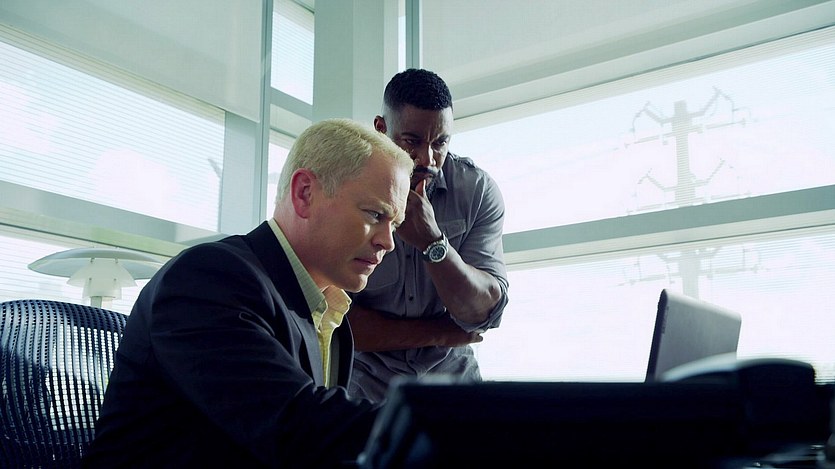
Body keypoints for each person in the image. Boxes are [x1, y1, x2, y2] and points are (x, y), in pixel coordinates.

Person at [82, 118, 413, 468]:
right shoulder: (208, 277)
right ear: (305, 193)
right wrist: (441, 426)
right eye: (376, 214)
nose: (388, 242)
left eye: (394, 224)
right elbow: (295, 425)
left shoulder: (332, 319)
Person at [348, 69, 509, 403]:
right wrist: (441, 332)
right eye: (412, 142)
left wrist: (433, 242)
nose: (428, 159)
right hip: (364, 392)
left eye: (440, 143)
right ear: (381, 129)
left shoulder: (478, 191)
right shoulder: (346, 190)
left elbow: (485, 312)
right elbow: (337, 323)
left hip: (457, 392)